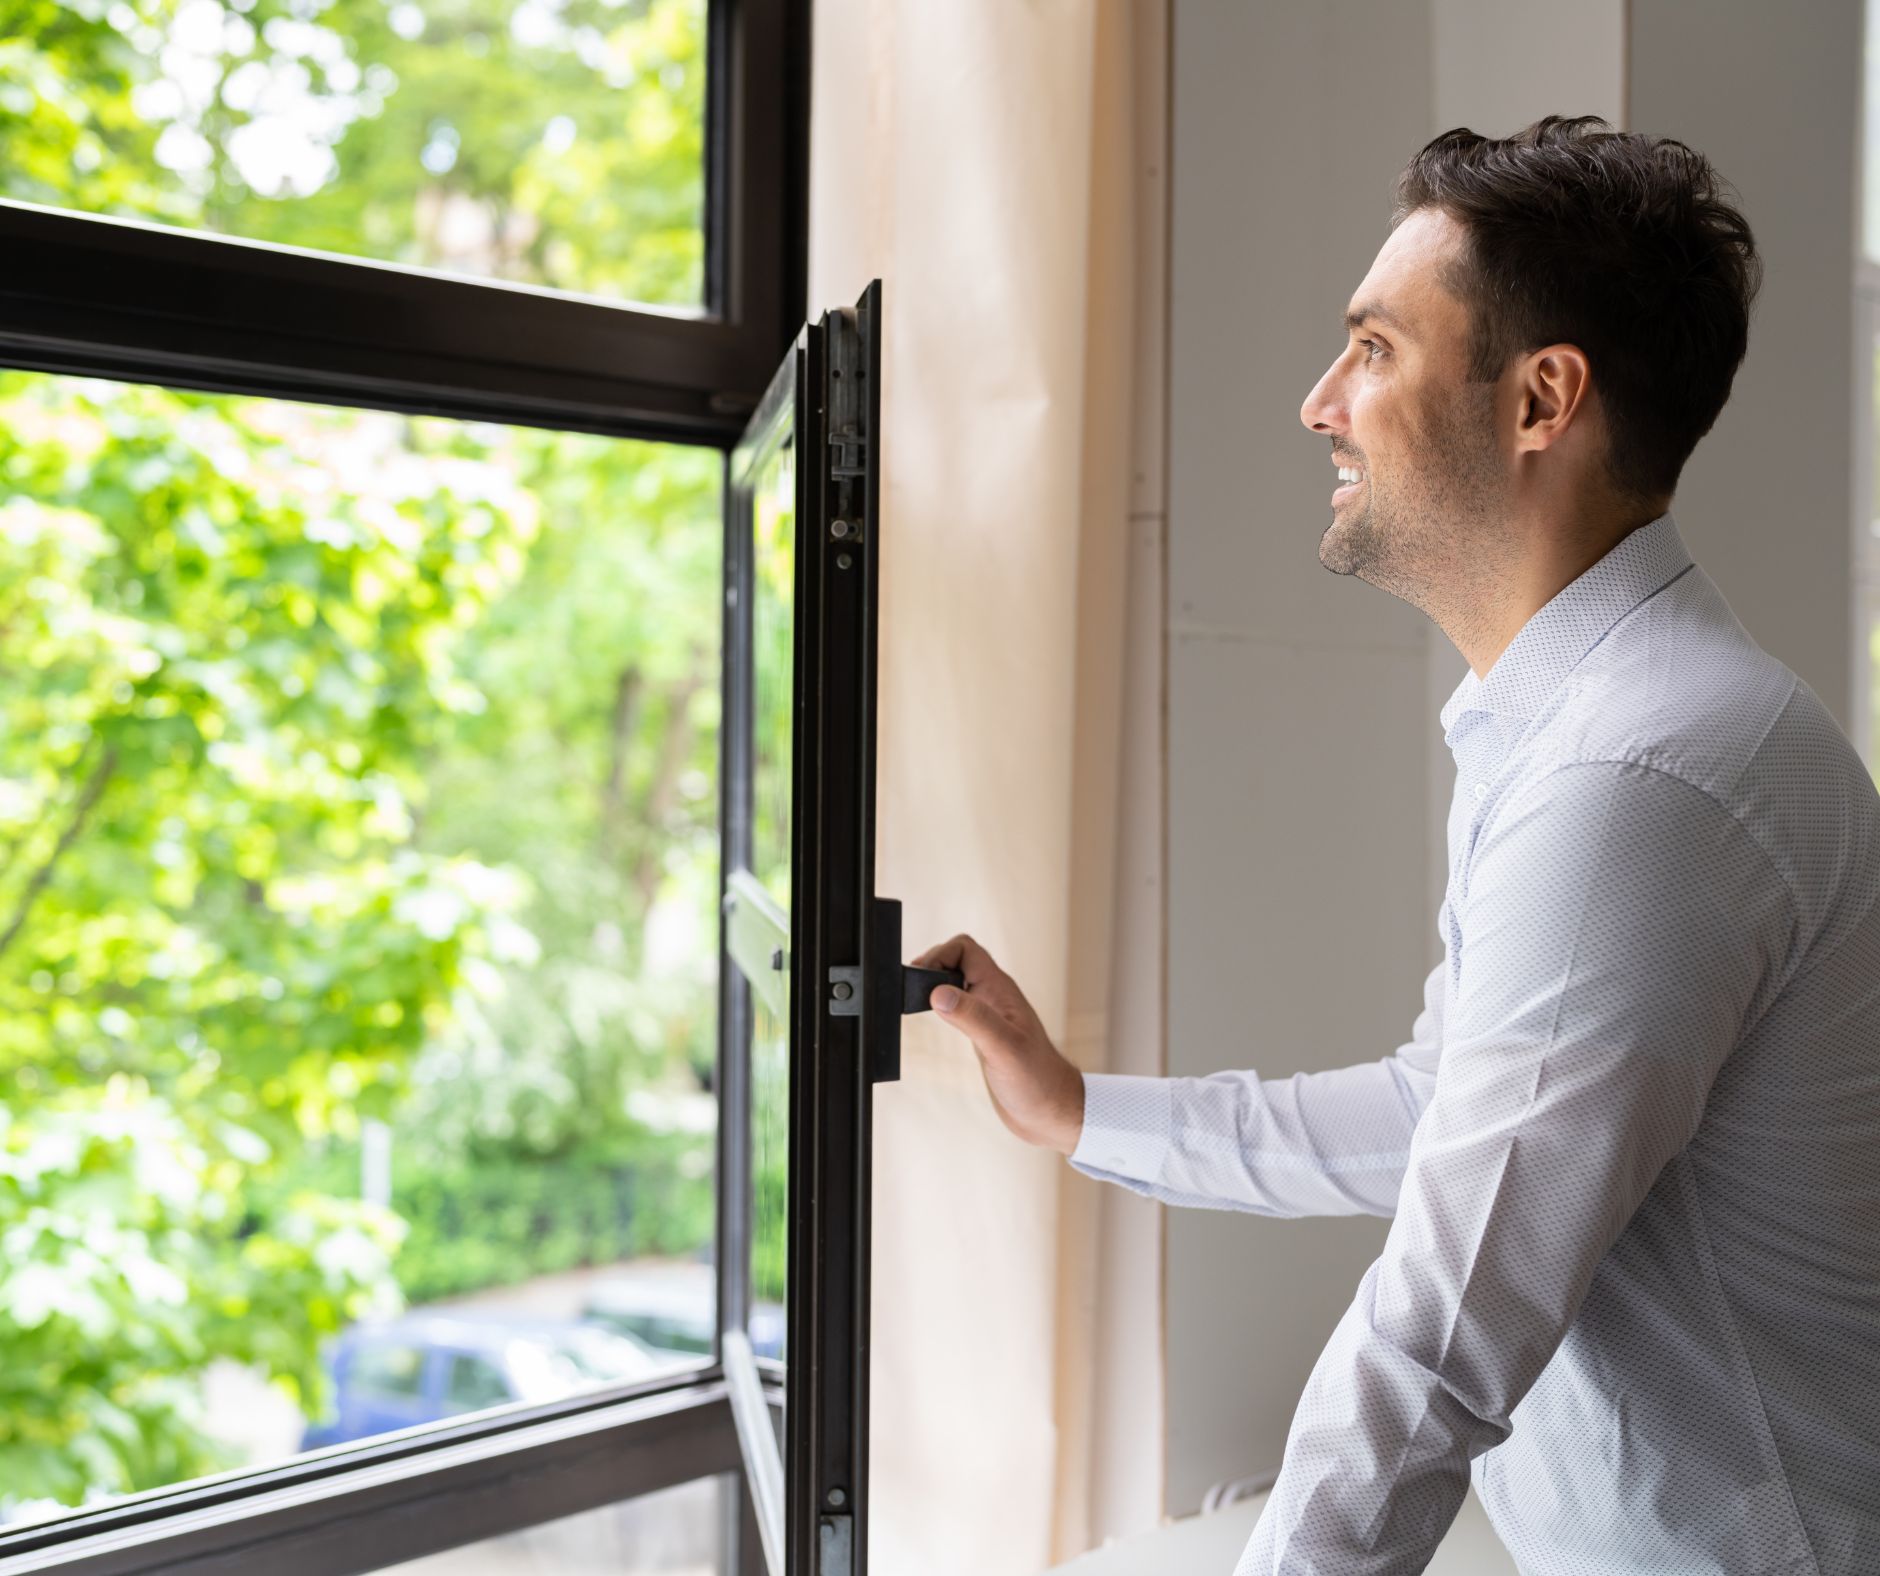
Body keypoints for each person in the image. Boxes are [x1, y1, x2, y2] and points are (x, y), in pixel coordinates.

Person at [916, 115, 1880, 1573]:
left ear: (1541, 399)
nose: (1320, 404)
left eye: (1374, 348)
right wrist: (1078, 1114)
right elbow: (1453, 1118)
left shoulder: (1641, 779)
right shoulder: (1575, 729)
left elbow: (1437, 1338)